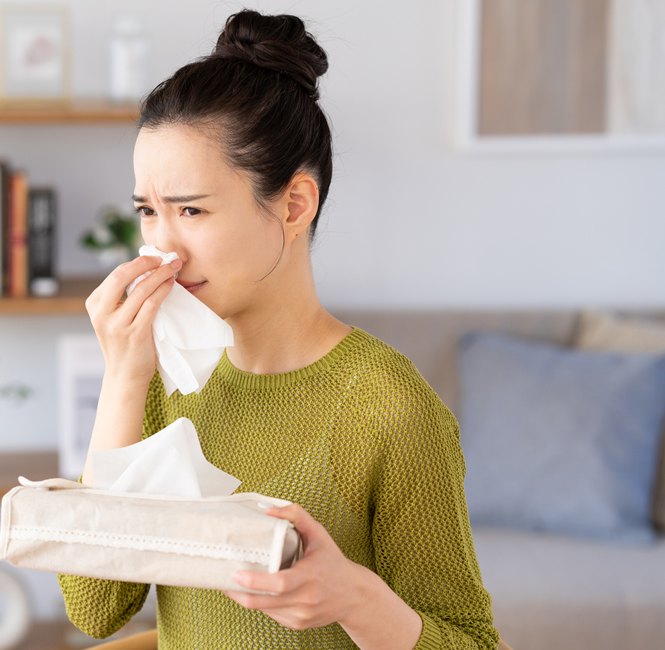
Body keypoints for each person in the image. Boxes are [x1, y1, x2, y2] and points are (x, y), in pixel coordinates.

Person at [59, 9, 498, 650]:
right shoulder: (165, 378)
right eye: (148, 212)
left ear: (294, 204)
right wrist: (124, 378)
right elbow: (94, 608)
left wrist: (357, 597)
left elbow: (474, 642)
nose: (162, 248)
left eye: (191, 210)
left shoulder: (390, 409)